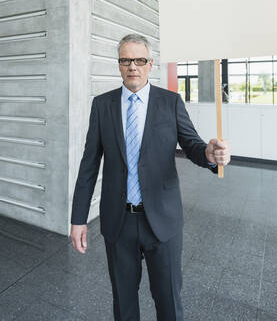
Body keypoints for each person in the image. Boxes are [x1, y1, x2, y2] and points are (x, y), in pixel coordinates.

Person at [70, 33, 231, 321]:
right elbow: (89, 165)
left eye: (139, 60)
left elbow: (192, 145)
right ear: (119, 65)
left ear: (150, 64)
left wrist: (208, 153)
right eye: (126, 60)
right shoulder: (102, 105)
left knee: (169, 303)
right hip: (118, 223)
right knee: (124, 304)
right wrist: (78, 218)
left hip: (163, 222)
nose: (133, 66)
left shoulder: (169, 102)